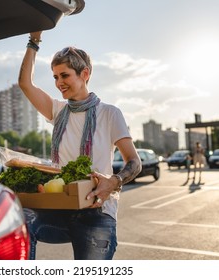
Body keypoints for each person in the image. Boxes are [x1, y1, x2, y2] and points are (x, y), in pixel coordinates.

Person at [18, 31, 142, 260]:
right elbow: (25, 83)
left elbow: (134, 163)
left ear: (85, 74)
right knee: (20, 220)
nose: (58, 83)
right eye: (55, 77)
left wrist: (113, 182)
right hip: (61, 206)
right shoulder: (57, 111)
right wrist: (34, 41)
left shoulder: (109, 114)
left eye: (64, 75)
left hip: (96, 211)